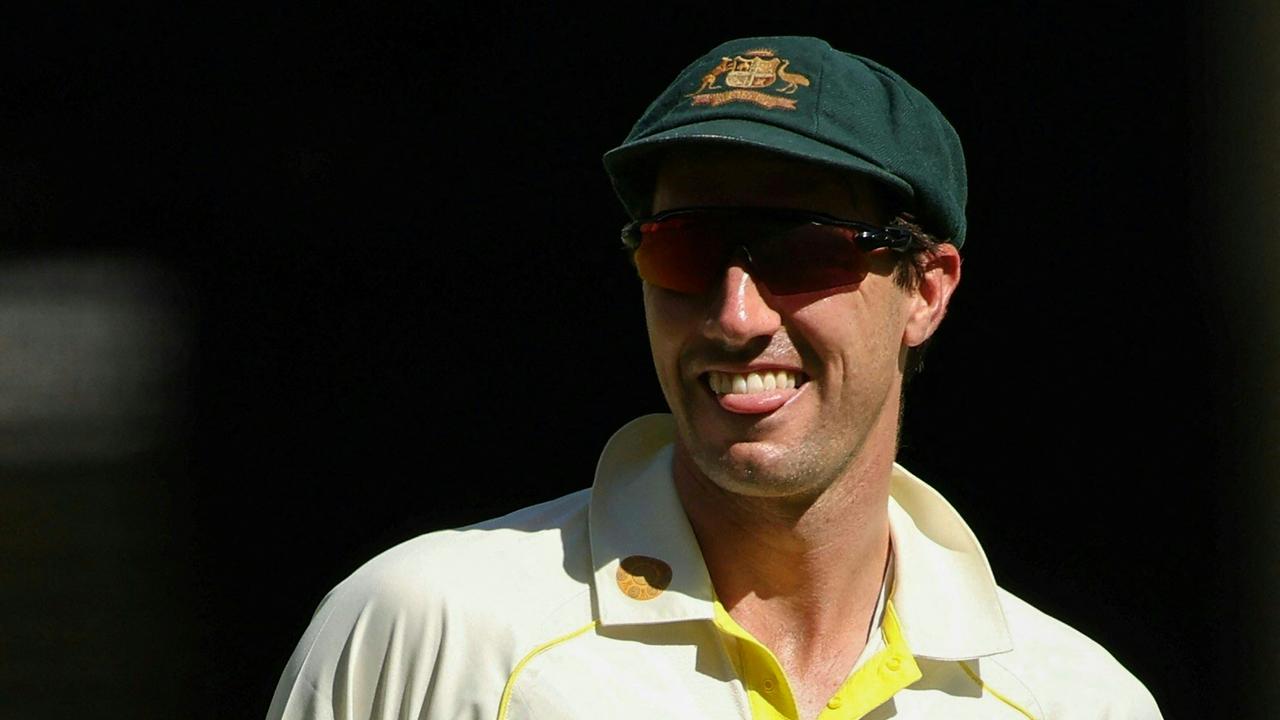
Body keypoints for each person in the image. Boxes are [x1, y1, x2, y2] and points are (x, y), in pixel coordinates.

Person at [267, 36, 1162, 719]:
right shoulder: (425, 625)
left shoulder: (1077, 699)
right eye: (684, 247)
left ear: (926, 289)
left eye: (803, 251)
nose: (736, 315)